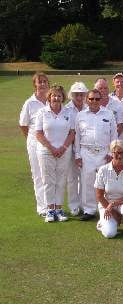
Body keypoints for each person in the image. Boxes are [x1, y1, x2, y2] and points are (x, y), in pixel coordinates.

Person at [74, 89, 118, 221]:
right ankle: (89, 210)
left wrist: (111, 153)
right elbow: (76, 136)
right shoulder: (80, 115)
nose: (94, 101)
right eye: (91, 99)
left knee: (105, 182)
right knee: (87, 182)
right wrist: (77, 155)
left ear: (101, 100)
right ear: (87, 100)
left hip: (104, 153)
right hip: (86, 152)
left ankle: (106, 207)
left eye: (97, 99)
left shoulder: (108, 114)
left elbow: (114, 135)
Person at [35, 85, 76, 222]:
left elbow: (72, 133)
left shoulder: (69, 112)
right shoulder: (42, 112)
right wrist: (52, 148)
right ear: (49, 97)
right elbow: (39, 134)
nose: (56, 98)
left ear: (62, 98)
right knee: (48, 181)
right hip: (46, 152)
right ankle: (50, 210)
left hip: (64, 151)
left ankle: (58, 209)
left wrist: (63, 147)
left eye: (59, 96)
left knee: (61, 180)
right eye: (54, 95)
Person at [95, 140, 123, 238]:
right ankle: (103, 223)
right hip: (106, 205)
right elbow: (99, 196)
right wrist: (113, 212)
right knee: (110, 234)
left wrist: (113, 204)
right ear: (112, 153)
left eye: (122, 152)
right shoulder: (103, 170)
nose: (120, 156)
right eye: (117, 153)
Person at [19, 72, 48, 216]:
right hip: (35, 144)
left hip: (50, 145)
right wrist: (32, 140)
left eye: (44, 81)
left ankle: (52, 206)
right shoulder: (29, 103)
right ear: (35, 84)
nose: (42, 84)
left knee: (49, 176)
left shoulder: (52, 100)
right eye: (40, 82)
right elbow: (23, 125)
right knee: (38, 175)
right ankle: (42, 207)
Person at [65, 82, 88, 216]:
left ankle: (85, 205)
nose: (79, 97)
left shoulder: (88, 108)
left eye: (81, 94)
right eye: (76, 95)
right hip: (70, 149)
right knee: (72, 178)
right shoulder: (66, 109)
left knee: (85, 178)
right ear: (72, 95)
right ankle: (74, 205)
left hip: (85, 150)